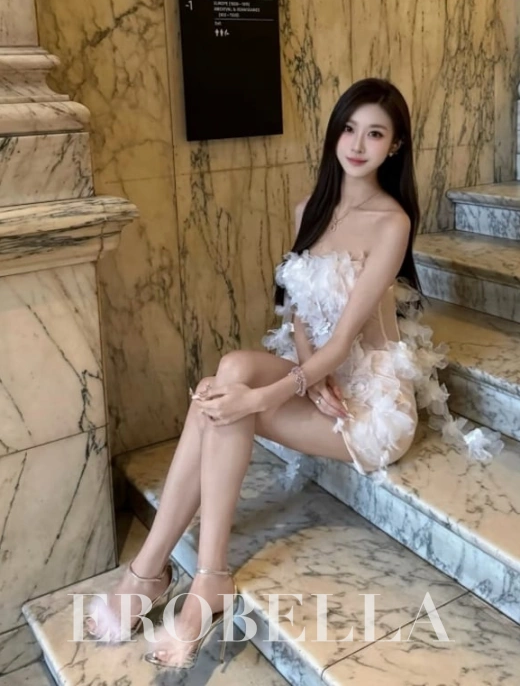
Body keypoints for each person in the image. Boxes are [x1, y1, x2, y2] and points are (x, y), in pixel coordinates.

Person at [85, 78, 502, 669]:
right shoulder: (310, 209)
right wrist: (306, 375)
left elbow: (345, 341)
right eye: (349, 129)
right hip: (323, 377)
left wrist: (274, 393)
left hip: (371, 402)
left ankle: (177, 575)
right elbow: (301, 313)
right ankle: (173, 574)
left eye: (374, 134)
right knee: (231, 373)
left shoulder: (392, 222)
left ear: (394, 146)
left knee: (232, 399)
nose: (357, 144)